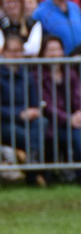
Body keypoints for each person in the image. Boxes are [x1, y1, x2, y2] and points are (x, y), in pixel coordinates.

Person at [39, 35, 81, 172]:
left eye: (58, 49)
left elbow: (79, 97)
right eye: (51, 50)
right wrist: (68, 119)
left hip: (73, 121)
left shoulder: (70, 73)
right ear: (43, 53)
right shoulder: (38, 75)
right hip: (52, 123)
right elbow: (47, 105)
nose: (55, 54)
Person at [0, 29, 45, 168]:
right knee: (27, 136)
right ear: (4, 53)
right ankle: (35, 169)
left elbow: (35, 101)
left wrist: (34, 111)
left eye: (19, 51)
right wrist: (19, 114)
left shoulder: (27, 75)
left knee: (42, 122)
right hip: (5, 121)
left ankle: (31, 163)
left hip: (28, 119)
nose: (16, 55)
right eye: (12, 51)